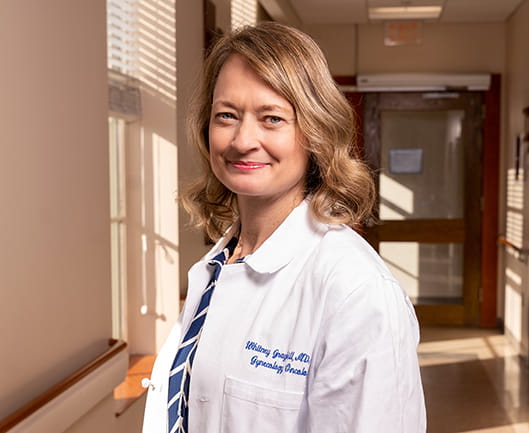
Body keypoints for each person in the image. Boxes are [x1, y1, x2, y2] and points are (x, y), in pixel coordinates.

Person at [142, 22, 426, 433]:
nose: (243, 140)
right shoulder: (217, 266)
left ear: (315, 133)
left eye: (272, 118)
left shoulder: (356, 291)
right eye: (226, 115)